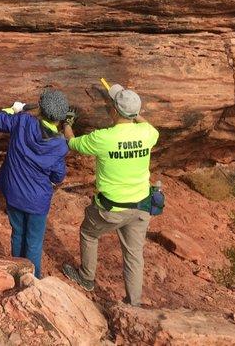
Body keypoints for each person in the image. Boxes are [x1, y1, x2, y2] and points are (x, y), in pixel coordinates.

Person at [62, 83, 159, 307]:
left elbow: (72, 142)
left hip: (110, 209)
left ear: (114, 111)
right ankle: (133, 305)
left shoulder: (103, 138)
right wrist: (135, 113)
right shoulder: (148, 133)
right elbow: (148, 126)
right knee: (134, 256)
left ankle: (86, 278)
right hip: (141, 207)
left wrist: (67, 123)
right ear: (135, 114)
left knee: (88, 233)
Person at [0, 88, 70, 278]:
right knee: (33, 242)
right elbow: (58, 176)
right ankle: (32, 280)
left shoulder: (23, 121)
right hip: (37, 200)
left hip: (14, 192)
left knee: (17, 233)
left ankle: (16, 272)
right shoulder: (59, 144)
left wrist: (14, 109)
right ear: (60, 119)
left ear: (40, 109)